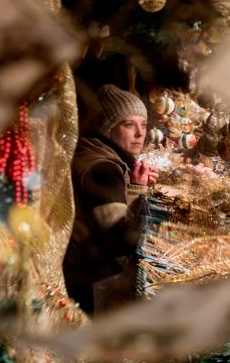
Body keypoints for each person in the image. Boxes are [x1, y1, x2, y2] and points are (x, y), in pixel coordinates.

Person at [63, 84, 159, 314]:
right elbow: (121, 241)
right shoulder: (104, 168)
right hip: (88, 279)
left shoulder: (92, 151)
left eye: (144, 125)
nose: (140, 134)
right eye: (129, 125)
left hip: (78, 270)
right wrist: (137, 190)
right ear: (108, 127)